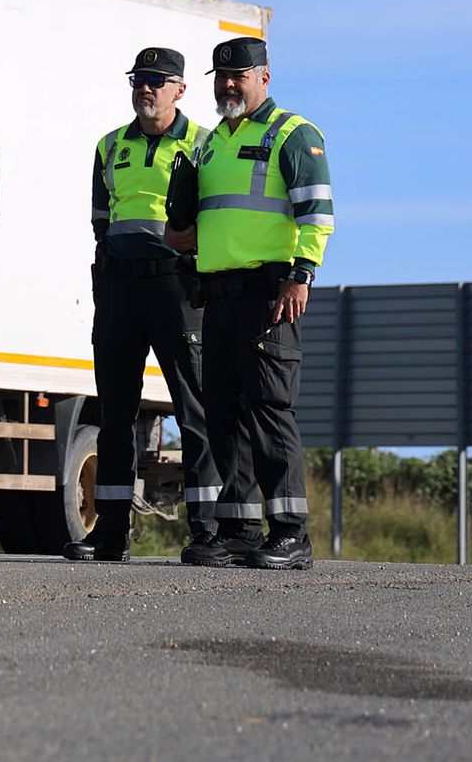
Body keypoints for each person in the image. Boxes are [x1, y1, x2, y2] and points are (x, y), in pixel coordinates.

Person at [164, 36, 333, 570]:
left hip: (269, 294)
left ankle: (290, 533)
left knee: (268, 409)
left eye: (239, 75)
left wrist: (302, 274)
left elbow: (318, 214)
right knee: (223, 415)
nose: (229, 84)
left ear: (265, 77)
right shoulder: (210, 143)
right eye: (221, 75)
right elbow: (200, 221)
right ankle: (237, 528)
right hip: (217, 296)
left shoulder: (293, 133)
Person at [64, 47, 227, 564]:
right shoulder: (110, 145)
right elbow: (99, 220)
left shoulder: (205, 144)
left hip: (177, 289)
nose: (146, 89)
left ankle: (206, 530)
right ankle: (111, 532)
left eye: (158, 81)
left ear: (180, 89)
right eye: (139, 79)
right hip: (119, 290)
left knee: (195, 410)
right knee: (114, 414)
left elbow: (217, 218)